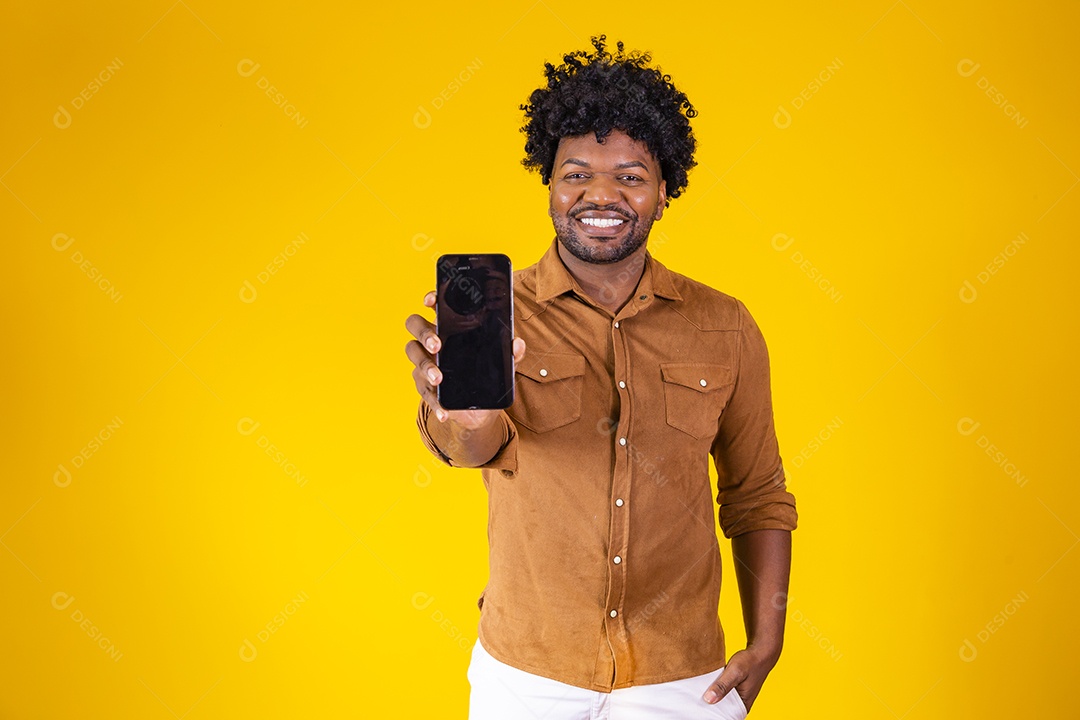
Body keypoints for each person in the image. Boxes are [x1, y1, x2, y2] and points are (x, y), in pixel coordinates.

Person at [405, 36, 797, 719]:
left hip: (682, 680)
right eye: (577, 173)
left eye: (631, 176)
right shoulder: (498, 312)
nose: (601, 194)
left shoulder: (725, 326)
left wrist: (768, 640)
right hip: (526, 677)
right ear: (550, 186)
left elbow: (756, 493)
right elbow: (471, 449)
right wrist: (458, 415)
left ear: (664, 192)